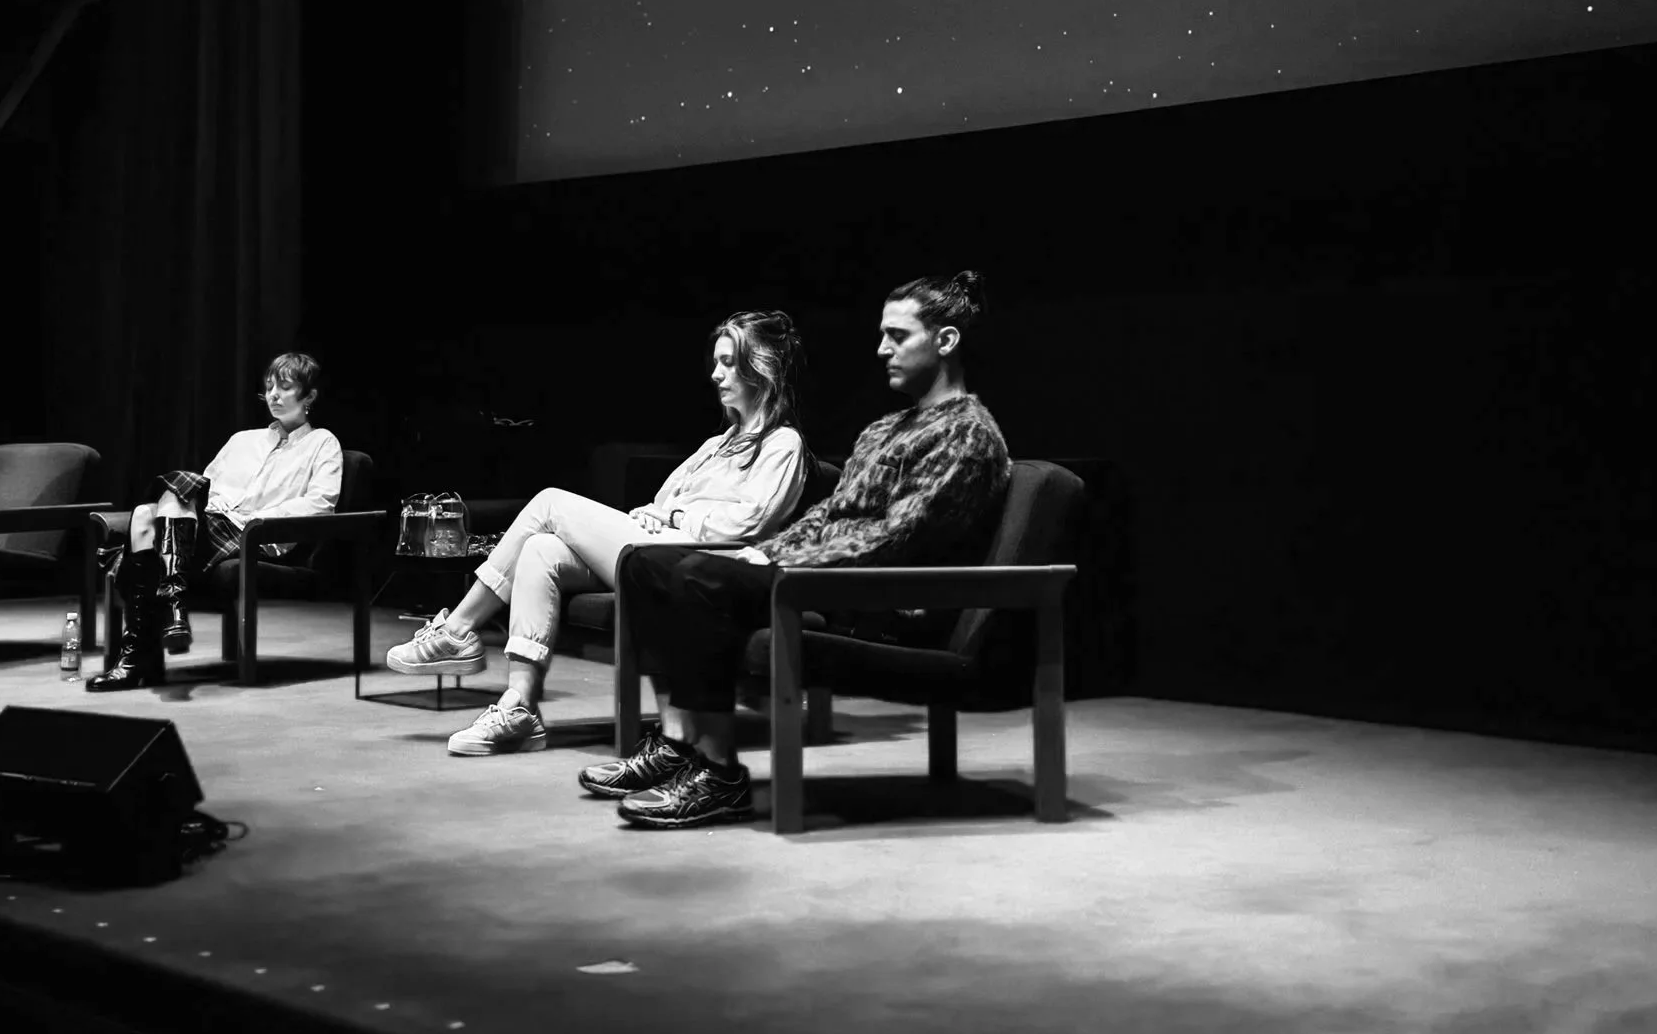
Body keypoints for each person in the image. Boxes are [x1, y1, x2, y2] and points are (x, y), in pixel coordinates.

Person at [585, 271, 1012, 828]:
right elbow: (827, 517)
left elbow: (900, 536)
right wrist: (768, 551)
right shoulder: (883, 430)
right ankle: (677, 743)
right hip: (828, 578)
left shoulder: (967, 433)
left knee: (699, 577)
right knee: (645, 563)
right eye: (881, 335)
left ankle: (719, 776)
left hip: (879, 600)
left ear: (946, 340)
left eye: (897, 335)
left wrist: (778, 560)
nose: (881, 349)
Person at [386, 311, 810, 756]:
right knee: (541, 549)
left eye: (728, 363)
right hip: (661, 548)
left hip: (706, 566)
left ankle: (457, 629)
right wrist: (656, 514)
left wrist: (674, 516)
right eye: (717, 362)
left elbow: (747, 525)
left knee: (550, 502)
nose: (715, 374)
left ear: (760, 369)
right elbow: (662, 501)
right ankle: (519, 706)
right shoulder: (716, 444)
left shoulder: (784, 444)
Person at [84, 352, 342, 690]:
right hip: (210, 526)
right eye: (269, 387)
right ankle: (169, 608)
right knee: (153, 508)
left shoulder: (322, 443)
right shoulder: (242, 440)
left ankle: (140, 652)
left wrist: (258, 518)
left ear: (309, 396)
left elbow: (320, 503)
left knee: (153, 519)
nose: (274, 395)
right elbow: (205, 488)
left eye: (285, 387)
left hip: (255, 535)